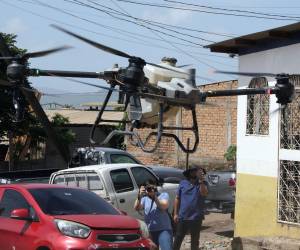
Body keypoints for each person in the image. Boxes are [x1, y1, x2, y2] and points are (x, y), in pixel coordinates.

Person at [173, 165, 208, 250]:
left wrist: (201, 181)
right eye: (194, 171)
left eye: (198, 171)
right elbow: (177, 198)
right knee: (178, 238)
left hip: (196, 217)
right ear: (190, 173)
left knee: (195, 241)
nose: (196, 173)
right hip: (183, 216)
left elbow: (204, 193)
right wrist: (175, 214)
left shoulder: (203, 183)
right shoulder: (183, 183)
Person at [134, 180, 173, 250]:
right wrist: (139, 196)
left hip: (164, 229)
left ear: (156, 187)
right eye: (148, 188)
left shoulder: (163, 195)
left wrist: (154, 196)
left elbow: (163, 207)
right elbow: (137, 208)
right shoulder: (144, 199)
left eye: (152, 187)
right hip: (150, 231)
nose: (150, 190)